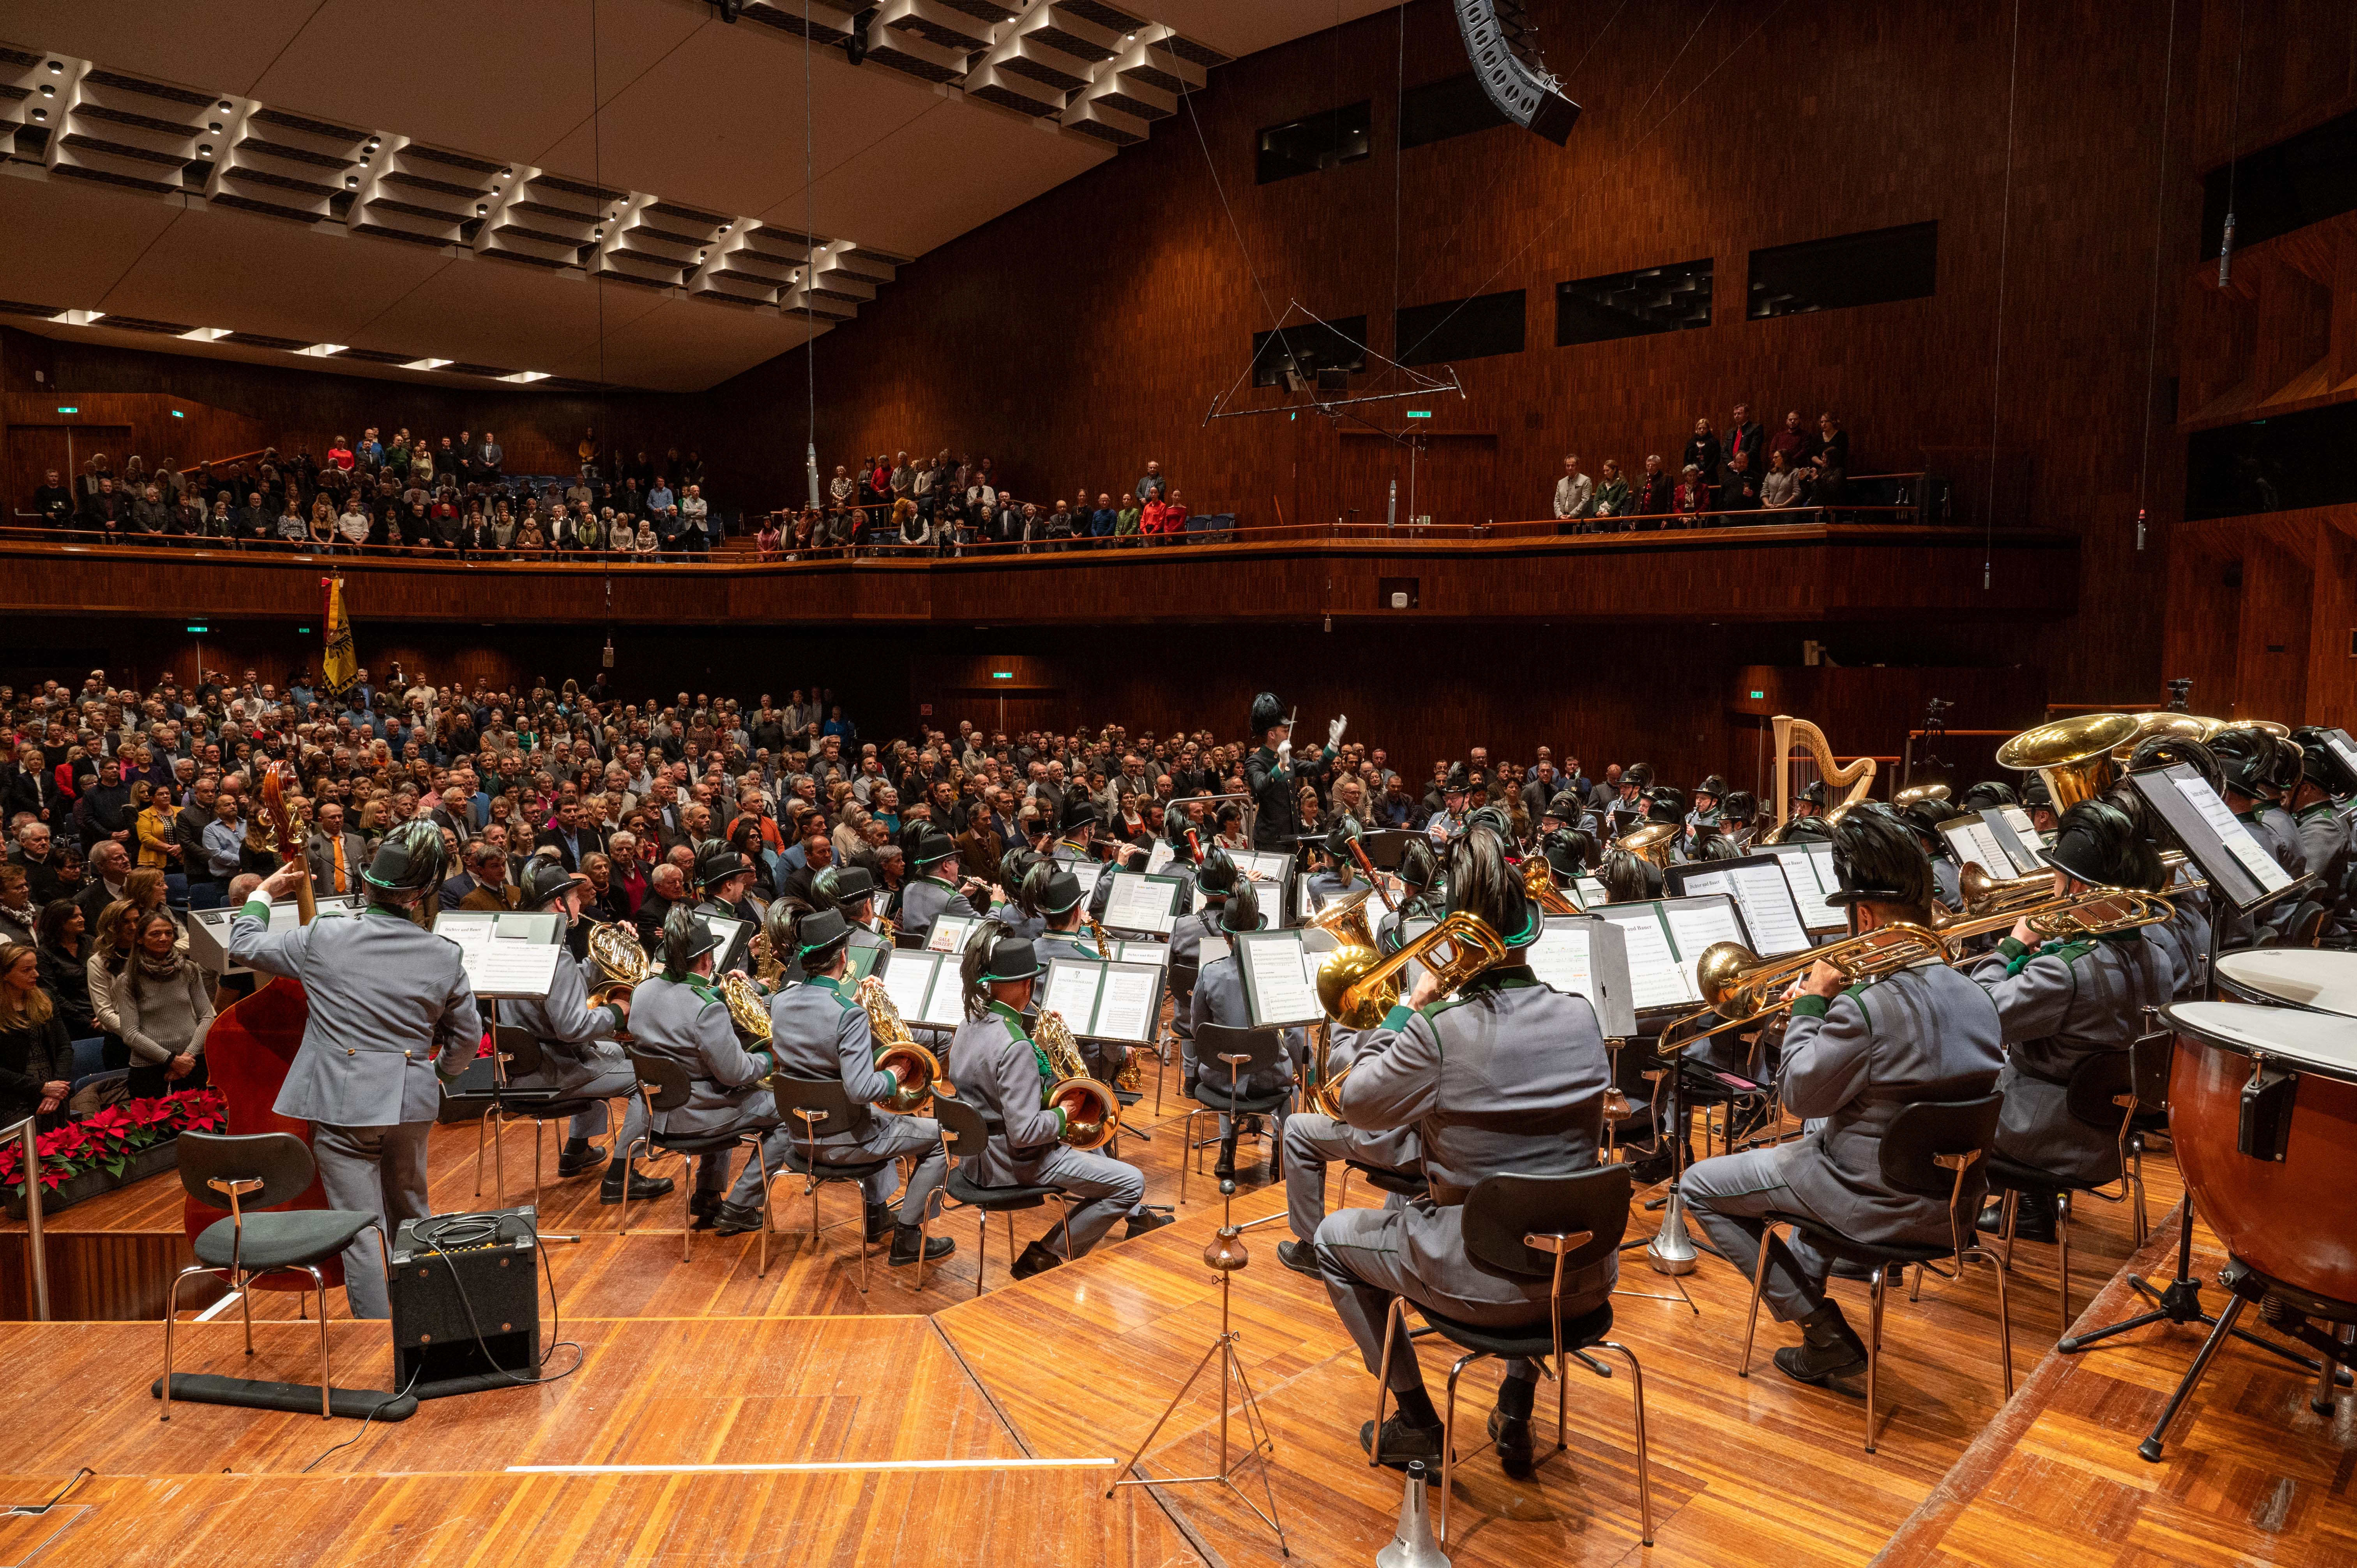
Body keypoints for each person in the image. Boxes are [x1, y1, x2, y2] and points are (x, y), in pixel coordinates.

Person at [1316, 822, 1615, 1474]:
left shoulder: (1439, 1033)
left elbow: (1356, 1102)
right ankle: (1515, 1399)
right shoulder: (1582, 1015)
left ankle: (1417, 1420)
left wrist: (1407, 1008)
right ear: (1532, 930)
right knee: (1535, 1197)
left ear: (1453, 940)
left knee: (1331, 1240)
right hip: (1583, 1271)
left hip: (1477, 1274)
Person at [1679, 810, 2004, 1386]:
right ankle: (1812, 1277)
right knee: (1816, 1141)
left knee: (1699, 1187)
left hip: (1874, 1201)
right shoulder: (1977, 993)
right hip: (1955, 1204)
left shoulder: (1862, 1008)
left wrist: (1808, 1007)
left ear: (1863, 915)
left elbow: (1802, 1095)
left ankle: (1821, 1327)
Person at [228, 822, 479, 1319]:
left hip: (344, 1106)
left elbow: (243, 944)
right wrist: (441, 1076)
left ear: (367, 883)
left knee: (361, 1229)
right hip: (410, 1100)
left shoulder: (325, 934)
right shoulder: (445, 953)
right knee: (413, 1213)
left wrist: (260, 893)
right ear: (422, 894)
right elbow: (466, 1038)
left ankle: (377, 1342)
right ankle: (427, 1321)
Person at [1968, 801, 2172, 1243]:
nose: (2054, 889)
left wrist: (2010, 946)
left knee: (1940, 1084)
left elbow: (1978, 1014)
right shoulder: (2158, 957)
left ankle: (1943, 1221)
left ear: (2078, 885)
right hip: (2113, 1136)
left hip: (2043, 1135)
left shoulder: (2065, 971)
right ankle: (2026, 1208)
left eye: (2057, 878)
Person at [945, 932, 1156, 1279]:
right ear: (1027, 986)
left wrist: (1038, 1050)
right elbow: (1025, 1132)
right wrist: (1066, 1113)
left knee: (1103, 1163)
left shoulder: (968, 1023)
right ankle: (1046, 1254)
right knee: (1131, 1182)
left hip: (975, 1160)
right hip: (1014, 1164)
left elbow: (992, 1090)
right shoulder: (1014, 1045)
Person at [765, 907, 954, 1267]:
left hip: (802, 1137)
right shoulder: (847, 1015)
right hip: (844, 1142)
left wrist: (859, 1005)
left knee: (878, 1119)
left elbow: (819, 1027)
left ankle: (877, 1216)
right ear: (844, 956)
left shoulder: (781, 1002)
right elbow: (860, 1089)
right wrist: (897, 1073)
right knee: (942, 1137)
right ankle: (909, 1237)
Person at [498, 862, 673, 1204]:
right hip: (552, 1071)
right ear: (562, 905)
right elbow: (574, 1029)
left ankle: (577, 1150)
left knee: (613, 1054)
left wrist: (606, 957)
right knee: (653, 1080)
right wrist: (617, 1013)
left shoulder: (519, 944)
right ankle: (622, 1176)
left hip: (517, 1070)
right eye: (577, 898)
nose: (581, 905)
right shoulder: (555, 957)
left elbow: (565, 986)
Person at [625, 906, 794, 1234]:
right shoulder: (707, 1011)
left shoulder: (643, 991)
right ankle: (741, 1204)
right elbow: (737, 1073)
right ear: (706, 960)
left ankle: (707, 1195)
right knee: (787, 1111)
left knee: (720, 1088)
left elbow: (679, 1004)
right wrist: (773, 1058)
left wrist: (720, 992)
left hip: (655, 1113)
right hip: (697, 1116)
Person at [1187, 880, 1299, 1179]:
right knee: (1294, 1088)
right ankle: (1279, 1155)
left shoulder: (1209, 973)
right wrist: (1302, 1067)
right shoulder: (1277, 974)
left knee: (1228, 1063)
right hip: (1268, 1080)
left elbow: (1199, 1031)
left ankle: (1227, 1152)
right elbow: (1295, 1035)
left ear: (1224, 935)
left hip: (1220, 1079)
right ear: (1258, 932)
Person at [115, 908, 214, 1099]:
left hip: (192, 1062)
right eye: (155, 934)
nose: (164, 938)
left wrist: (188, 1057)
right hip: (150, 1069)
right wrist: (172, 1061)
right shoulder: (128, 980)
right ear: (140, 939)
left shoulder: (188, 969)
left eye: (169, 933)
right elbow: (130, 1034)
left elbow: (207, 1015)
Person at [1245, 691, 1343, 851]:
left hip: (1291, 838)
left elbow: (1317, 768)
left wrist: (1332, 744)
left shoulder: (1288, 759)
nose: (1288, 733)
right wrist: (1281, 766)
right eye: (1284, 730)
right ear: (1272, 735)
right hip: (1270, 841)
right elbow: (1261, 785)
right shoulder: (1256, 761)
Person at [0, 941, 69, 1132]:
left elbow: (64, 1047)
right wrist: (42, 1087)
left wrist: (57, 1090)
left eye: (36, 968)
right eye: (26, 970)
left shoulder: (45, 998)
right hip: (12, 1100)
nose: (36, 974)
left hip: (54, 1093)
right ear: (5, 974)